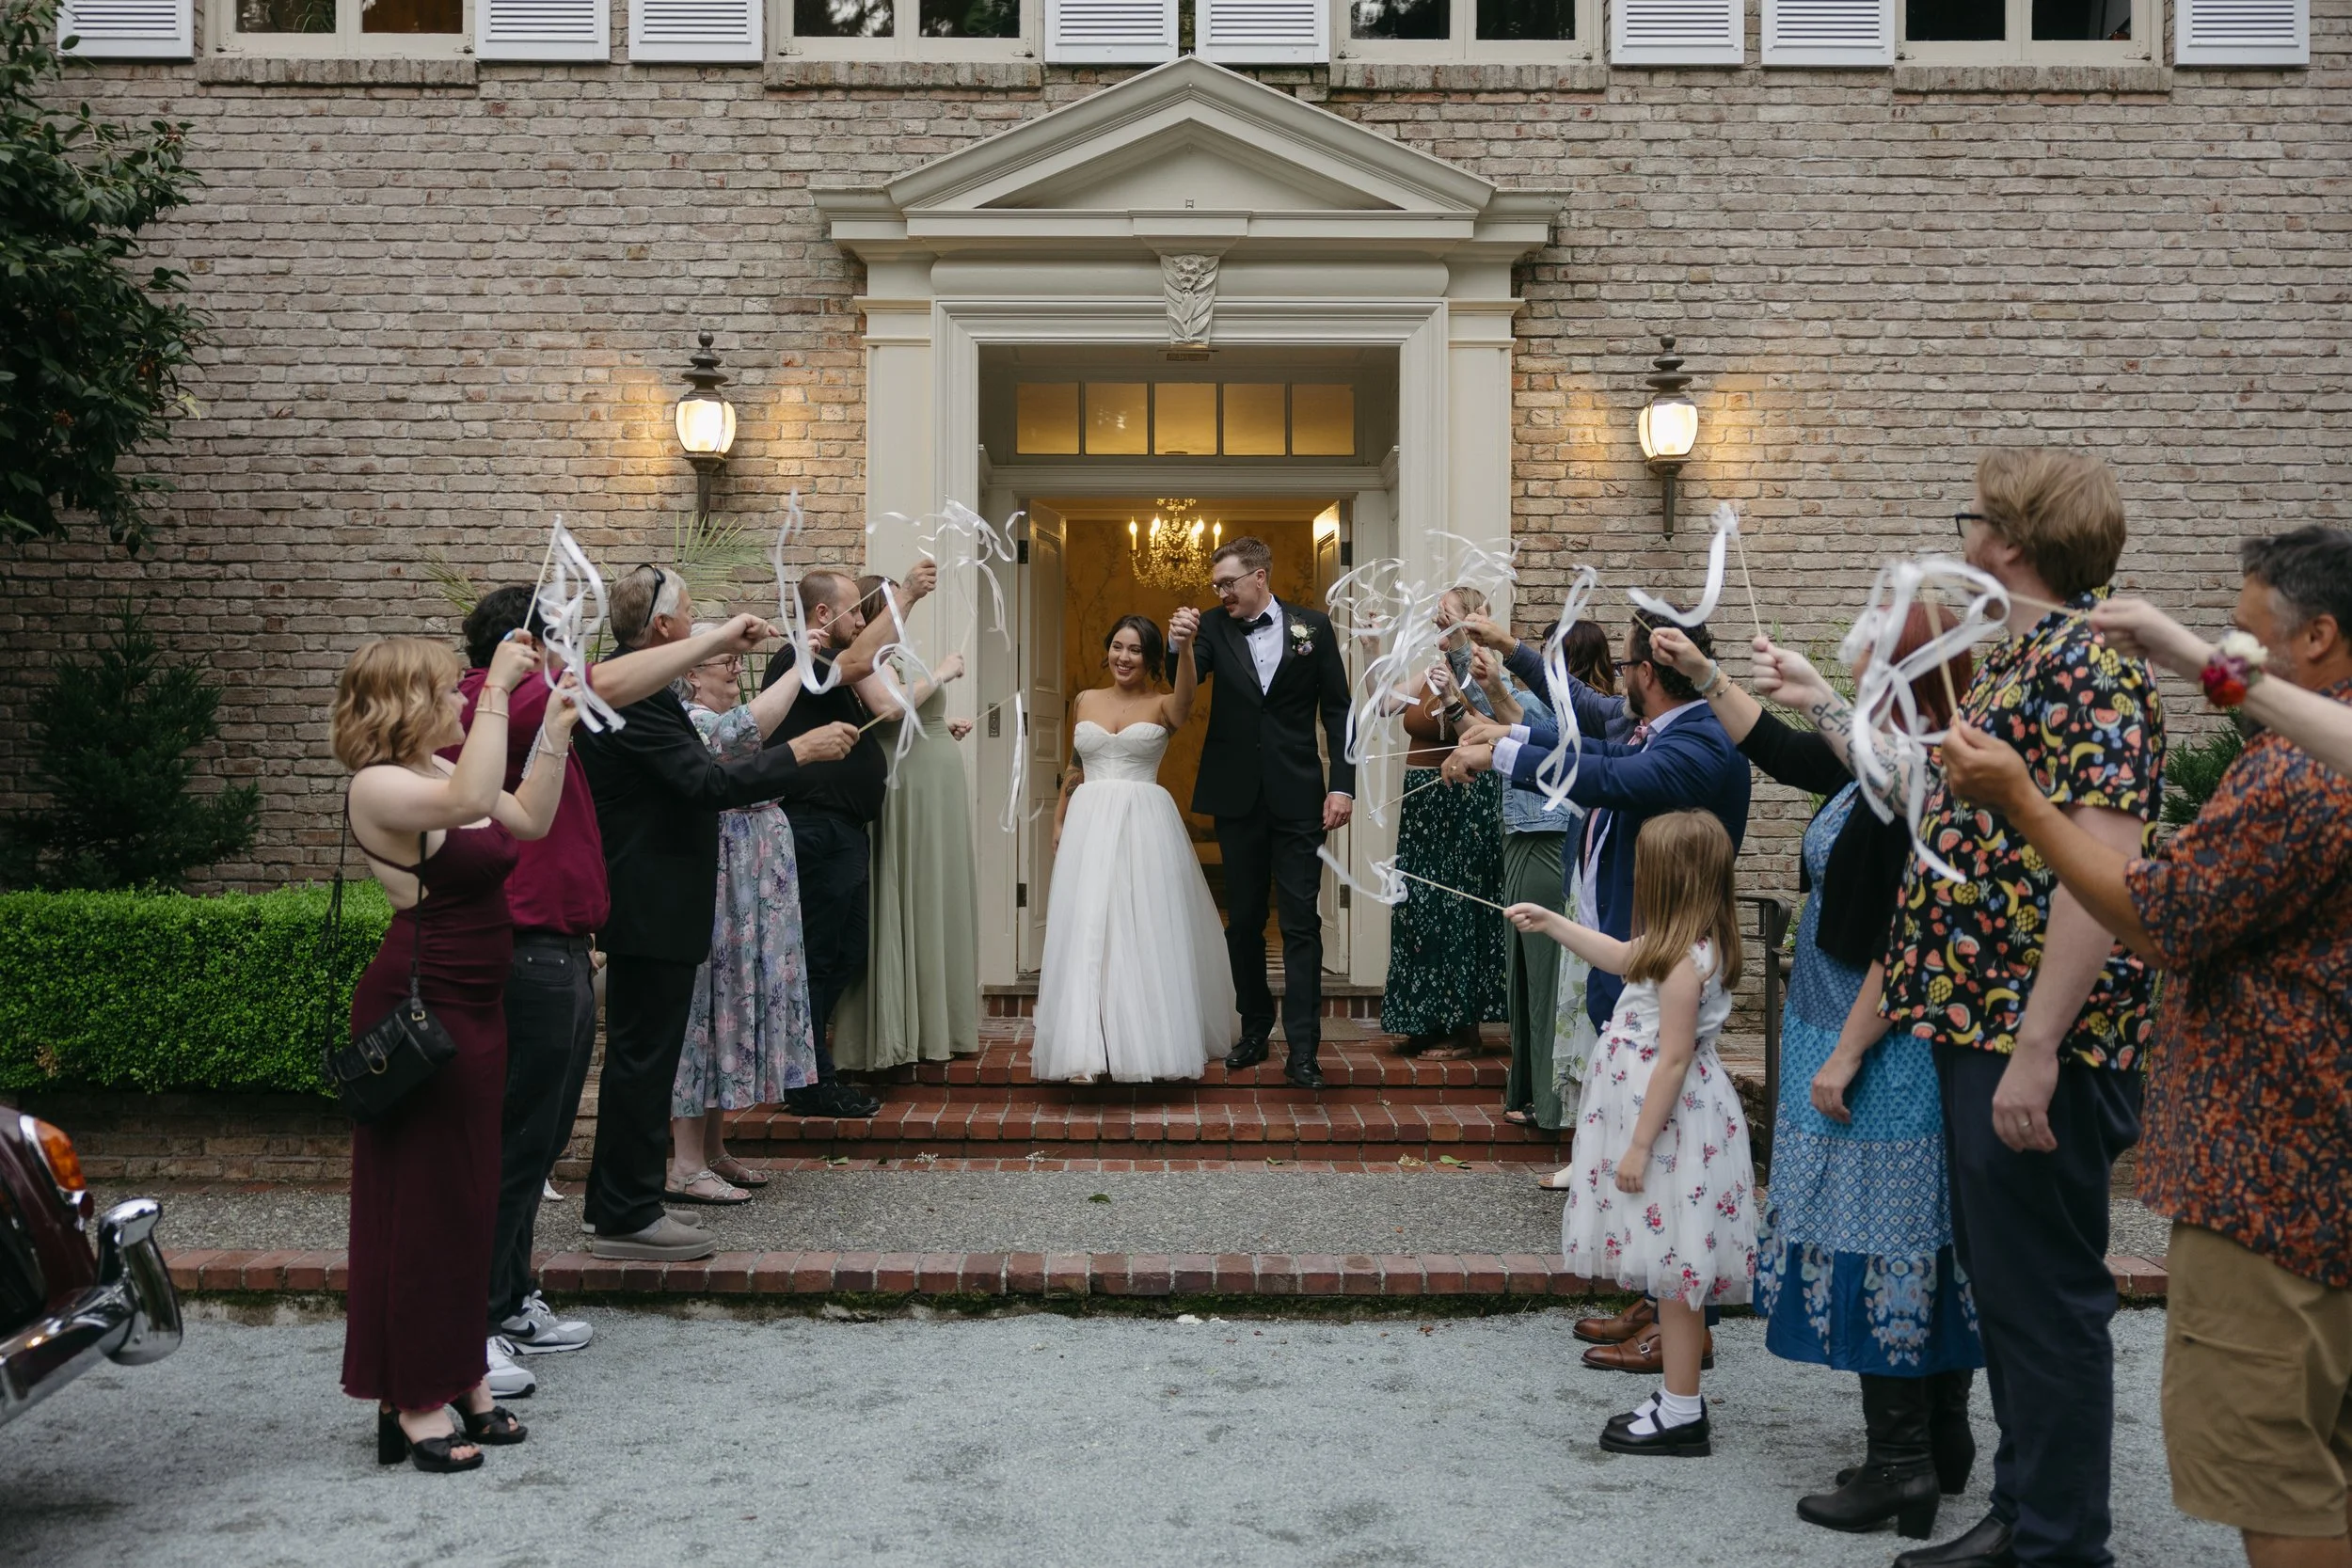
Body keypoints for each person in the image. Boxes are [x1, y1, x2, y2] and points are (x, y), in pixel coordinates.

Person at [1942, 525, 2352, 1568]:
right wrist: (2187, 655)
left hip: (2274, 1185)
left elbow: (2155, 913)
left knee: (2285, 1475)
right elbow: (2250, 695)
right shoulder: (2307, 738)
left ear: (2316, 637)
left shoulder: (2299, 779)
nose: (2230, 639)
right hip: (2315, 1179)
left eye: (2245, 626)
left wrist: (2024, 799)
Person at [1814, 448, 2162, 1568]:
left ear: (2008, 540)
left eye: (1972, 519)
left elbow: (2100, 872)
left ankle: (2058, 1539)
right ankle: (2023, 1512)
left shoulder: (2089, 668)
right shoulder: (2024, 660)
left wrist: (2036, 1047)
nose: (1959, 538)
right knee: (2010, 1292)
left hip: (2032, 1039)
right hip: (1978, 1026)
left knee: (2046, 1297)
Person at [1652, 618, 1984, 1544]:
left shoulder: (1930, 769)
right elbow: (1782, 746)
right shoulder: (1875, 754)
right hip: (1855, 1028)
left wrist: (1842, 1052)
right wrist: (1706, 671)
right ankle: (1940, 1439)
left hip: (1878, 1042)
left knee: (1888, 1234)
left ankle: (1901, 1465)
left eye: (1873, 660)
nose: (1855, 667)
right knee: (1916, 1233)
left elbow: (1904, 932)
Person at [450, 588, 793, 1391]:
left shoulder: (543, 711)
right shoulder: (514, 701)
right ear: (527, 645)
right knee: (515, 1146)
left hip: (564, 937)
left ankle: (510, 1297)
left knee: (536, 1142)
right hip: (532, 943)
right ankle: (481, 1316)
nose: (577, 649)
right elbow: (615, 688)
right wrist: (715, 637)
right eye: (563, 634)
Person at [1448, 610, 1749, 1378]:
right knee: (1650, 1155)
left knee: (1671, 1156)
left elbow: (1609, 774)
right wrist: (1505, 649)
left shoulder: (1698, 741)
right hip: (1626, 931)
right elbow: (1584, 717)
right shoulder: (1658, 719)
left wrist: (1505, 750)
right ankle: (1656, 1300)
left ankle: (1689, 1330)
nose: (1617, 678)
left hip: (1660, 944)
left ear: (1649, 671)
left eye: (1627, 663)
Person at [331, 632, 575, 1472]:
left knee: (470, 1196)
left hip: (479, 1001)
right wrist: (505, 687)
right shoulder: (381, 785)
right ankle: (413, 1397)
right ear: (402, 700)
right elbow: (480, 787)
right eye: (444, 690)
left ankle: (462, 1371)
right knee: (423, 1202)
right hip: (421, 1003)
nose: (458, 701)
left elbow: (528, 817)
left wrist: (558, 731)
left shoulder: (439, 770)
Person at [577, 566, 861, 1262]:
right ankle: (627, 1213)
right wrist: (800, 751)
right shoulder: (638, 696)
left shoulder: (638, 685)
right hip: (651, 898)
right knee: (645, 1061)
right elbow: (704, 781)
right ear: (665, 626)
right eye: (692, 611)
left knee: (645, 1058)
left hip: (659, 899)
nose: (701, 620)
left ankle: (618, 1205)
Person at [1505, 809, 1757, 1459]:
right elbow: (1620, 956)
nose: (1636, 879)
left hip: (1670, 1130)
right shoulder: (1678, 946)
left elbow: (1673, 1058)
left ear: (1670, 880)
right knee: (1674, 1276)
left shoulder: (1682, 966)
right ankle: (1679, 1400)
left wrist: (1640, 1144)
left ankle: (1681, 1412)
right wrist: (1554, 922)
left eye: (1645, 869)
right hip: (1670, 1123)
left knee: (1676, 1272)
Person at [758, 560, 940, 1116]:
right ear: (822, 614)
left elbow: (873, 689)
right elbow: (862, 659)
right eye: (855, 612)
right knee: (816, 952)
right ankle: (808, 1082)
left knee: (845, 950)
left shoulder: (831, 666)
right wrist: (904, 597)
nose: (862, 621)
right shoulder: (802, 659)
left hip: (841, 833)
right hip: (814, 828)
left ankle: (811, 1069)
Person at [1033, 610, 1237, 1082]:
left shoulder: (1165, 705)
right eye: (1118, 647)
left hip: (1144, 824)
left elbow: (1188, 696)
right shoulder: (1084, 699)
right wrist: (1060, 819)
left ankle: (1145, 1044)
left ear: (1150, 660)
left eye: (1136, 651)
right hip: (1087, 821)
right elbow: (1075, 763)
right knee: (1088, 927)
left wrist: (1184, 646)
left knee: (1140, 927)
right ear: (1108, 650)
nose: (1124, 658)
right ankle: (1084, 1046)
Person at [1188, 536, 1355, 1091]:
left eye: (1228, 583)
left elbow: (1338, 709)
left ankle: (1304, 1048)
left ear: (1260, 577)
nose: (1221, 593)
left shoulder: (1313, 628)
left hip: (1299, 796)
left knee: (1302, 923)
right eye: (1217, 585)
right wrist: (1181, 644)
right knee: (1244, 923)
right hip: (1236, 797)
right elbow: (1183, 680)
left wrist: (1343, 788)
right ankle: (1254, 1027)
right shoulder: (1211, 627)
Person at [663, 632, 823, 1207]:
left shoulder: (718, 714)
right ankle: (682, 1164)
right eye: (724, 662)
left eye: (736, 662)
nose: (735, 668)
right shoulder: (691, 721)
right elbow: (748, 731)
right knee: (706, 1009)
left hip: (752, 889)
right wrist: (804, 658)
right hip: (720, 886)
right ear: (690, 675)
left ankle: (711, 1150)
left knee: (730, 1005)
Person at [831, 574, 981, 1072]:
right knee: (908, 895)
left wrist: (941, 725)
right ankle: (900, 1031)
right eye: (895, 605)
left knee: (933, 897)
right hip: (906, 792)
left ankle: (936, 1021)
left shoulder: (887, 658)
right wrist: (940, 673)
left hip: (930, 784)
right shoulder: (865, 658)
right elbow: (889, 708)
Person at [1485, 617, 1613, 1130]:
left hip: (1554, 836)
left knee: (1549, 975)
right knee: (1527, 975)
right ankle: (1532, 1090)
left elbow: (1524, 721)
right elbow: (1507, 719)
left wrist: (1490, 682)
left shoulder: (1588, 714)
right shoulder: (1557, 702)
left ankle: (1555, 1101)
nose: (1544, 665)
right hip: (1524, 831)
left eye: (1551, 656)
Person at [1380, 587, 1508, 1059]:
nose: (1436, 622)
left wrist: (1454, 693)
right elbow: (1383, 705)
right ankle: (1425, 1020)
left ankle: (1464, 1029)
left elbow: (1476, 737)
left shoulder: (1484, 674)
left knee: (1457, 907)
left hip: (1463, 802)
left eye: (1445, 616)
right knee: (1420, 907)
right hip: (1422, 807)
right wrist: (1377, 648)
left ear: (1470, 624)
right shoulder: (1430, 672)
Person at [2092, 591, 2352, 783]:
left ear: (2316, 637)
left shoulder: (2289, 769)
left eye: (2247, 632)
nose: (2234, 643)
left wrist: (2192, 656)